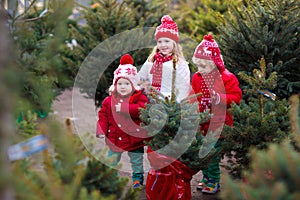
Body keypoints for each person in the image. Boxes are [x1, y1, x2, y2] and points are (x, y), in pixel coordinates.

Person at [191, 34, 242, 194]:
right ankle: (206, 178)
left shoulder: (227, 78)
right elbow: (193, 96)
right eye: (198, 66)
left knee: (211, 155)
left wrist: (220, 98)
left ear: (214, 63)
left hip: (219, 124)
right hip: (202, 124)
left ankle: (214, 181)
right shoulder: (197, 78)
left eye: (204, 66)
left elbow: (236, 97)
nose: (200, 70)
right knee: (203, 154)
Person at [96, 54, 148, 189]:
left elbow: (143, 109)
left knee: (136, 161)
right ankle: (109, 178)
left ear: (133, 85)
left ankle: (137, 179)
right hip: (115, 138)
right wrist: (101, 129)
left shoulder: (139, 98)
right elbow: (103, 116)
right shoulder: (109, 101)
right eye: (120, 83)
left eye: (127, 83)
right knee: (111, 160)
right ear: (115, 85)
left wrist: (125, 108)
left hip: (134, 138)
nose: (123, 86)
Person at [137, 15, 190, 101]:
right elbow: (140, 77)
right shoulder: (152, 60)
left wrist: (176, 103)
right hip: (151, 101)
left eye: (167, 41)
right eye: (160, 41)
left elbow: (183, 87)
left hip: (170, 104)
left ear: (174, 42)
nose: (163, 45)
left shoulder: (180, 63)